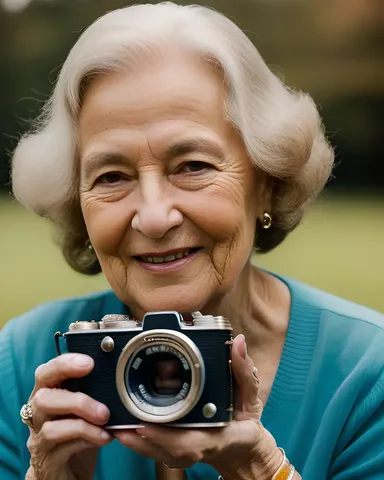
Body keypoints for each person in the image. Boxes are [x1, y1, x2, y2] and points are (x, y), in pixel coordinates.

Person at [1, 3, 383, 480]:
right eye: (112, 176)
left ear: (265, 181)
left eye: (193, 166)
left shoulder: (367, 376)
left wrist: (259, 470)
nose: (155, 217)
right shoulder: (23, 363)